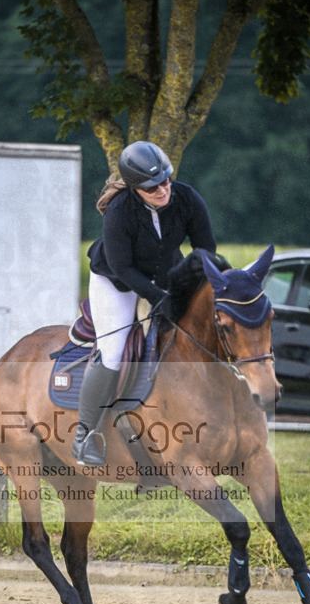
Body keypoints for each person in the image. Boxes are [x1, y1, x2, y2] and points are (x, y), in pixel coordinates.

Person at [72, 140, 218, 466]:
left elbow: (205, 249)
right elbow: (123, 268)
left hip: (165, 275)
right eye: (152, 188)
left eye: (166, 180)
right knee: (113, 350)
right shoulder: (120, 210)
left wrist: (195, 286)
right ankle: (85, 436)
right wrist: (158, 298)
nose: (163, 190)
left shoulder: (187, 198)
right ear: (136, 188)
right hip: (117, 281)